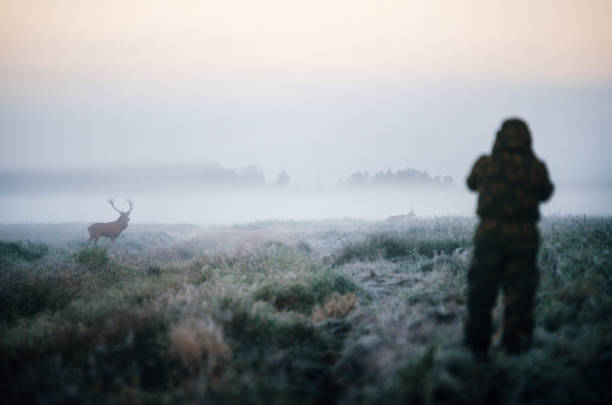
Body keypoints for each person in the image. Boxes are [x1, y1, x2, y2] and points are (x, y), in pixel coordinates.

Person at [465, 118, 554, 359]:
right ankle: (516, 349)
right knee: (520, 295)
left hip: (489, 235)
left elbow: (471, 183)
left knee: (481, 292)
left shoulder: (486, 164)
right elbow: (546, 192)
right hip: (523, 237)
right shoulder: (535, 167)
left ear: (500, 137)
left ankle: (477, 348)